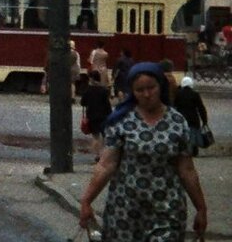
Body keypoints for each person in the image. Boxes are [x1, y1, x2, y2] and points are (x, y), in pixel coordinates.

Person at [79, 62, 207, 240]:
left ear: (160, 86)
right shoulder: (122, 121)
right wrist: (86, 200)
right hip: (125, 212)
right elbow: (106, 165)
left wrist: (201, 208)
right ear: (133, 91)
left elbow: (187, 170)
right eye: (140, 90)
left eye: (151, 88)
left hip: (167, 210)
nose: (147, 94)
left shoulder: (177, 122)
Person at [79, 70, 112, 161]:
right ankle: (105, 154)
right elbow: (107, 105)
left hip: (92, 115)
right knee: (105, 136)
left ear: (92, 79)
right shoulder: (104, 90)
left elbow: (82, 103)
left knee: (95, 136)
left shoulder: (88, 90)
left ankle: (98, 155)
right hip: (103, 116)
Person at [174, 76, 209, 156]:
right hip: (193, 119)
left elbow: (174, 106)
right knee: (194, 135)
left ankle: (184, 150)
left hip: (182, 118)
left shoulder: (178, 94)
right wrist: (204, 120)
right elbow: (201, 108)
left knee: (183, 135)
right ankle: (194, 151)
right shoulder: (195, 94)